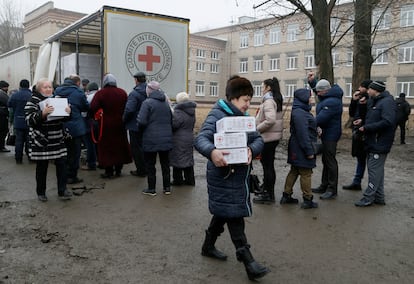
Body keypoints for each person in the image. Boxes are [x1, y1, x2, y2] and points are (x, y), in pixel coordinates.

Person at [194, 76, 269, 281]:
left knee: (223, 211)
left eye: (249, 100)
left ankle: (208, 246)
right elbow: (200, 138)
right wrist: (212, 153)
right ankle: (248, 261)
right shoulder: (217, 114)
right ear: (234, 98)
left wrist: (251, 151)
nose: (248, 104)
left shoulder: (244, 119)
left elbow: (258, 139)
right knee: (234, 216)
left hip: (239, 176)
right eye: (245, 100)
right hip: (223, 175)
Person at [24, 78, 73, 201]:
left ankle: (62, 190)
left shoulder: (57, 100)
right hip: (42, 140)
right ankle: (41, 193)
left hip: (57, 138)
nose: (48, 89)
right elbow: (29, 120)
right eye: (45, 87)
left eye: (50, 87)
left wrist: (68, 112)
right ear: (39, 88)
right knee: (42, 167)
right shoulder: (32, 101)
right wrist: (43, 113)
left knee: (62, 164)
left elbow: (64, 119)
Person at [354, 81, 397, 207]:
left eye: (370, 89)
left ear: (376, 90)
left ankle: (368, 197)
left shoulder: (387, 102)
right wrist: (362, 117)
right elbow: (370, 116)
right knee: (378, 171)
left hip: (379, 142)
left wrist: (367, 128)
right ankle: (379, 197)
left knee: (374, 171)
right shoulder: (375, 101)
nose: (367, 91)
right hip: (372, 141)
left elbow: (388, 121)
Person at [281, 88, 318, 209]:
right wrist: (309, 151)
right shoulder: (300, 113)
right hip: (301, 147)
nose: (311, 99)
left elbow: (305, 129)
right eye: (310, 96)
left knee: (295, 170)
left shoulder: (300, 111)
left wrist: (315, 129)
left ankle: (286, 196)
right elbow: (303, 134)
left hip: (297, 146)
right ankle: (308, 199)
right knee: (306, 172)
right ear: (303, 98)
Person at [90, 73, 132, 178]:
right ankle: (118, 170)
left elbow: (93, 107)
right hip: (120, 124)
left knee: (107, 147)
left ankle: (109, 171)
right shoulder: (122, 93)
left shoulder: (101, 94)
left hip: (105, 126)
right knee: (119, 146)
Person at [308, 78, 343, 200]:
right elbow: (318, 89)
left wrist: (308, 122)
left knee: (330, 161)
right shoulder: (328, 97)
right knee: (325, 160)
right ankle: (324, 185)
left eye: (319, 91)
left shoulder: (332, 102)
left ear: (325, 91)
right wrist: (313, 82)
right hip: (327, 133)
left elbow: (321, 119)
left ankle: (332, 189)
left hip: (331, 135)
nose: (316, 94)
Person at [137, 81, 173, 195]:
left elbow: (141, 121)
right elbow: (171, 119)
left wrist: (140, 130)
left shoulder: (147, 103)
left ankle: (151, 189)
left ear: (149, 91)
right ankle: (167, 188)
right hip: (166, 138)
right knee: (165, 164)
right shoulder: (166, 103)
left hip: (150, 138)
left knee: (150, 164)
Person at [253, 77, 283, 204]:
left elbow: (270, 120)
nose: (261, 89)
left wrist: (257, 129)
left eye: (262, 86)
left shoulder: (269, 101)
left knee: (267, 166)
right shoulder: (273, 99)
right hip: (271, 137)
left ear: (268, 88)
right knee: (268, 165)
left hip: (268, 138)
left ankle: (269, 195)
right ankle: (265, 189)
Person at [55, 75, 89, 184]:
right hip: (75, 127)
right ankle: (72, 176)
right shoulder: (78, 92)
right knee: (75, 153)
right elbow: (86, 107)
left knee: (63, 152)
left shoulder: (57, 91)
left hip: (60, 126)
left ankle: (63, 175)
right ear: (76, 83)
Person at [342, 80, 371, 191]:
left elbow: (370, 116)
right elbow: (352, 113)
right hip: (358, 132)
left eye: (361, 86)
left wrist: (362, 121)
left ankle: (372, 185)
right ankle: (357, 182)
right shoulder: (360, 98)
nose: (359, 88)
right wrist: (354, 101)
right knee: (360, 158)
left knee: (369, 161)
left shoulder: (371, 100)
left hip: (367, 132)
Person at [123, 71, 148, 177]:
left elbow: (129, 110)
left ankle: (141, 170)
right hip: (147, 124)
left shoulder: (134, 93)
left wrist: (124, 120)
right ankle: (146, 168)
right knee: (145, 147)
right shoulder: (150, 92)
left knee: (136, 149)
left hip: (135, 125)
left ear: (136, 80)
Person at [170, 92, 197, 186]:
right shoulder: (191, 110)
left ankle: (178, 180)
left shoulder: (178, 112)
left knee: (178, 159)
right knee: (188, 159)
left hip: (179, 139)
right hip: (189, 137)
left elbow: (174, 125)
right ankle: (190, 180)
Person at [7, 79, 32, 163]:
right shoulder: (31, 95)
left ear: (20, 85)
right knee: (29, 140)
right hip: (29, 121)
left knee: (19, 140)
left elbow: (9, 104)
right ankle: (30, 157)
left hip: (18, 120)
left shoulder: (15, 95)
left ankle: (18, 158)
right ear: (28, 85)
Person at [80, 82, 99, 171]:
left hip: (90, 123)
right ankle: (98, 160)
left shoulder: (89, 97)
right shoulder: (100, 95)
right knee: (96, 143)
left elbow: (84, 113)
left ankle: (91, 163)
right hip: (99, 123)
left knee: (89, 144)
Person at [0, 80, 11, 152]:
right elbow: (9, 102)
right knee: (3, 131)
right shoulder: (2, 94)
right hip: (2, 115)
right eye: (6, 87)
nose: (7, 89)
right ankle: (1, 147)